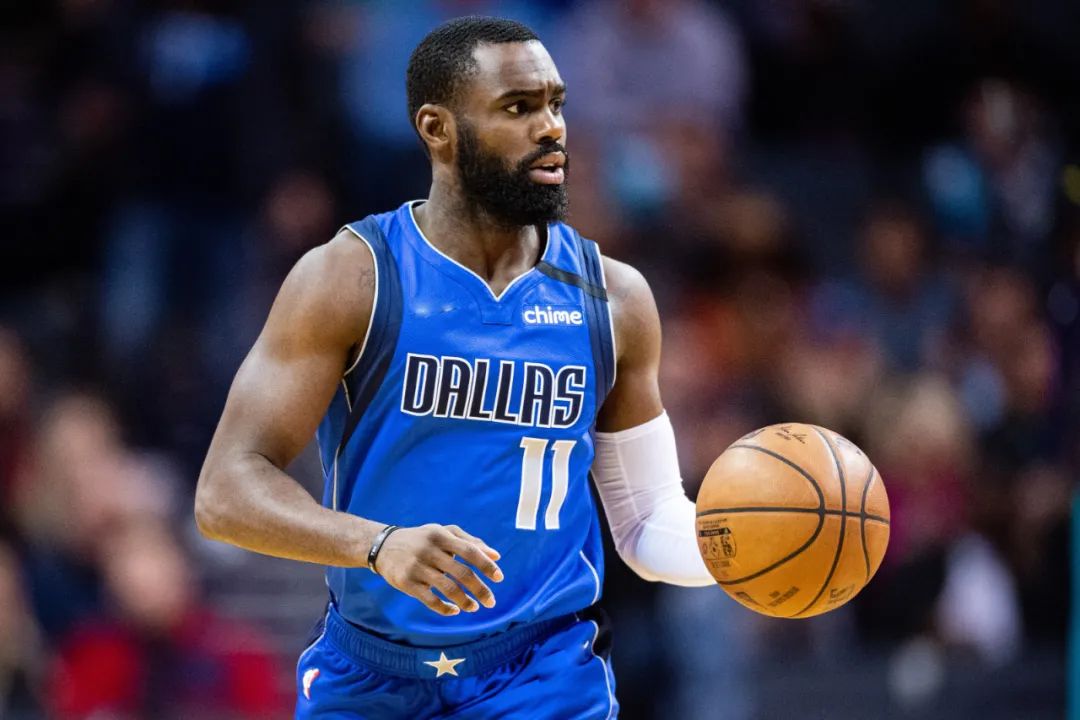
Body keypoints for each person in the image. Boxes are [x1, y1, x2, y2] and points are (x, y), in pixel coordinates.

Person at [195, 16, 714, 719]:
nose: (552, 128)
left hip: (544, 672)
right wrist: (376, 545)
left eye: (556, 104)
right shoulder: (353, 278)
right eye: (518, 108)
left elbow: (647, 522)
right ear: (438, 129)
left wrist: (747, 549)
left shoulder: (614, 300)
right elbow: (224, 492)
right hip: (371, 672)